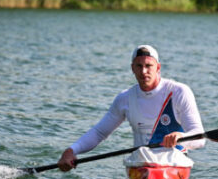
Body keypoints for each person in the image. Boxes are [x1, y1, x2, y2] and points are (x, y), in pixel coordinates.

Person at [57, 45, 205, 172]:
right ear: (132, 68)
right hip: (141, 165)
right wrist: (71, 150)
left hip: (174, 162)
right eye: (139, 66)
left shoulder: (179, 92)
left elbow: (200, 138)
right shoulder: (125, 98)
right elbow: (99, 132)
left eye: (149, 66)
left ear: (158, 68)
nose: (143, 71)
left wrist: (181, 137)